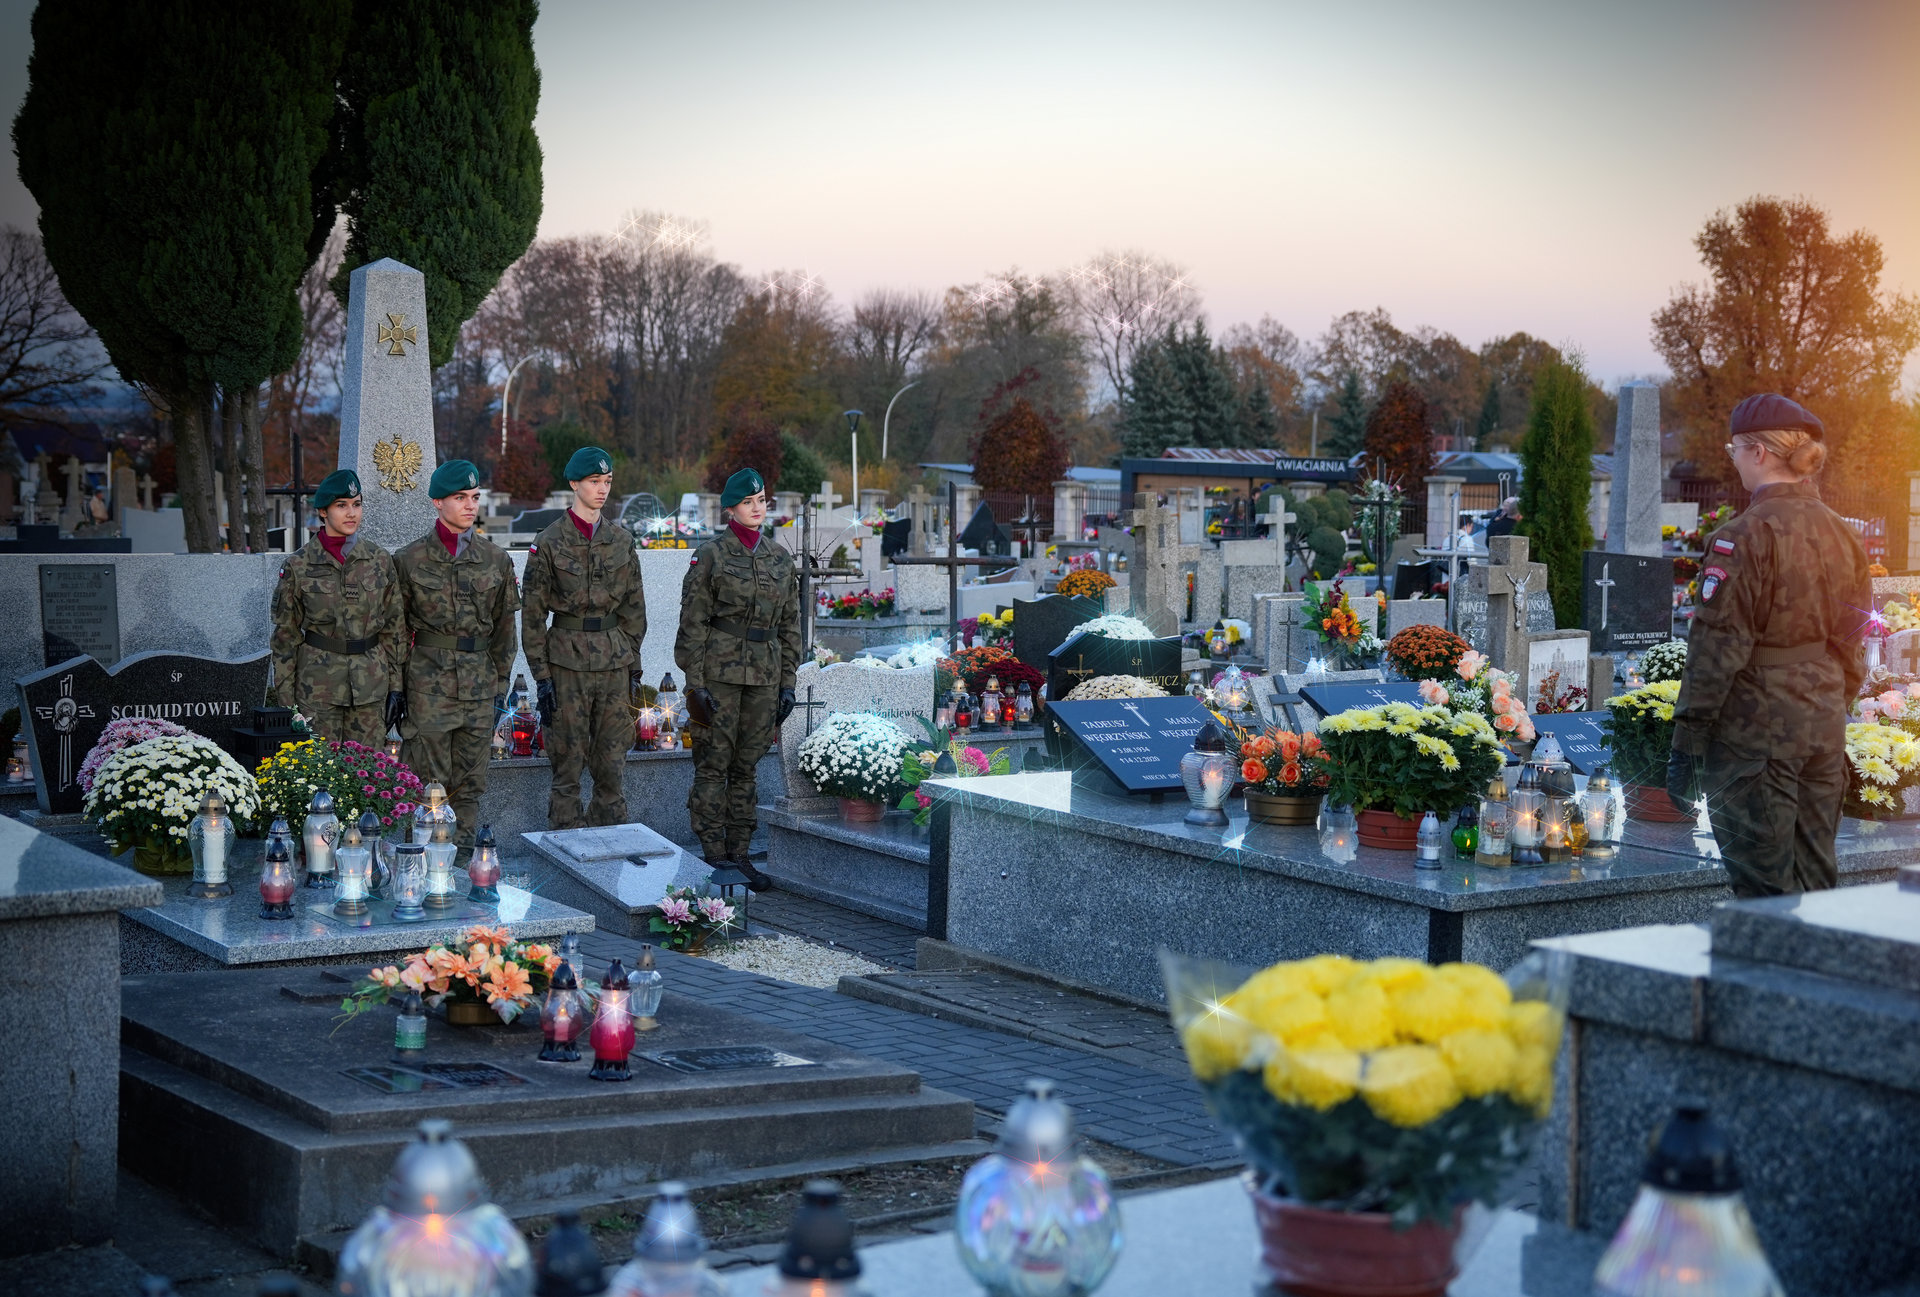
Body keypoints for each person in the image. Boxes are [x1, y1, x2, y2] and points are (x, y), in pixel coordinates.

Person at [1668, 393, 1870, 898]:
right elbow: (1853, 639)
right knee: (1816, 881)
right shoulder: (1842, 534)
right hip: (1822, 727)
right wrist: (1828, 698)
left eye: (1734, 449)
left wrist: (1688, 743)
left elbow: (1717, 649)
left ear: (1758, 452)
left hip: (1753, 735)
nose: (1733, 459)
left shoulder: (1743, 536)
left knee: (1763, 891)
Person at [675, 468, 799, 890]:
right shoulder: (711, 554)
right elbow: (692, 622)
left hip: (764, 675)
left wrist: (787, 683)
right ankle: (713, 853)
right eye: (748, 502)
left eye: (761, 500)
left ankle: (740, 853)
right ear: (731, 508)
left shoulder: (779, 558)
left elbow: (790, 625)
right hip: (719, 675)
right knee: (713, 764)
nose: (757, 508)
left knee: (746, 767)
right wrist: (695, 684)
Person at [393, 461, 521, 853]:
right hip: (428, 688)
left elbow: (505, 633)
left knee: (469, 786)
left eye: (474, 497)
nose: (470, 505)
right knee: (425, 787)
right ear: (437, 502)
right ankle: (419, 866)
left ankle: (462, 867)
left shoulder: (496, 560)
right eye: (460, 497)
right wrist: (397, 688)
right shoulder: (409, 559)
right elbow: (395, 632)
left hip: (479, 689)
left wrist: (500, 686)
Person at [521, 446, 647, 829]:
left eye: (607, 481)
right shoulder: (548, 542)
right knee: (567, 768)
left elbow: (634, 610)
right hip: (566, 665)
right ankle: (565, 847)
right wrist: (542, 677)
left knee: (612, 767)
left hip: (613, 664)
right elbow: (533, 616)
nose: (602, 489)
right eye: (594, 481)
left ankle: (612, 848)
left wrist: (633, 667)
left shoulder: (621, 541)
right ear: (575, 484)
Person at [267, 469, 403, 748]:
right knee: (320, 769)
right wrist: (287, 703)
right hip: (318, 688)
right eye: (341, 505)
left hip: (370, 687)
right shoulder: (299, 565)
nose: (351, 513)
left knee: (366, 769)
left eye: (357, 504)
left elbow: (394, 628)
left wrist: (396, 688)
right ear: (323, 512)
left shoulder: (379, 560)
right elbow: (285, 638)